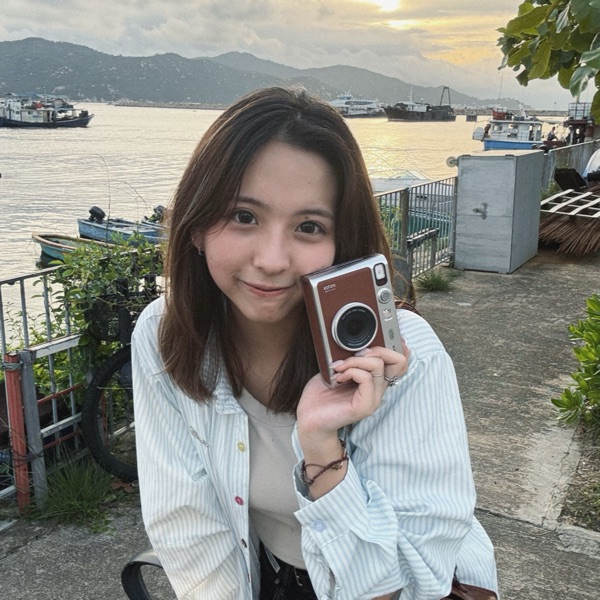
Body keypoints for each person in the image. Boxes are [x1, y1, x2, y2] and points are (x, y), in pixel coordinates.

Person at [132, 86, 498, 600]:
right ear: (195, 227)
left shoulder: (401, 359)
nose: (272, 260)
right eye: (243, 216)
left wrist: (323, 451)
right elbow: (187, 523)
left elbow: (409, 585)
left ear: (341, 242)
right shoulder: (167, 334)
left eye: (308, 226)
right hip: (264, 574)